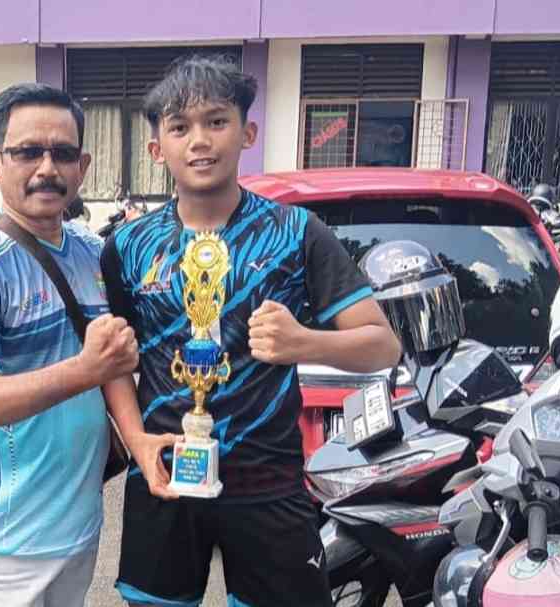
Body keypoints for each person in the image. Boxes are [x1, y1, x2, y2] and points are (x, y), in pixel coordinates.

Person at [99, 55, 402, 607]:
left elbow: (382, 345)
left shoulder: (295, 232)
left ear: (247, 133)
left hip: (268, 485)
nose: (200, 141)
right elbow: (115, 360)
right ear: (157, 148)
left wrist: (304, 342)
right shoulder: (128, 247)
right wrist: (136, 441)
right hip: (164, 476)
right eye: (180, 127)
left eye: (217, 121)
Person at [0, 82, 138, 607]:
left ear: (82, 167)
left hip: (78, 524)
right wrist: (87, 369)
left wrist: (141, 443)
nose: (47, 168)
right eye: (27, 152)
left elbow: (112, 361)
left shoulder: (92, 252)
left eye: (63, 153)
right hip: (2, 541)